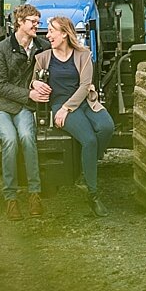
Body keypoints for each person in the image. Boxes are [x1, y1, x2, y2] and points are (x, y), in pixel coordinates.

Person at [32, 15, 115, 217]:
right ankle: (93, 195)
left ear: (64, 34)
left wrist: (67, 109)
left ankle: (85, 168)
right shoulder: (42, 58)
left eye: (52, 31)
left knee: (107, 127)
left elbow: (85, 85)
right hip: (59, 104)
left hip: (82, 102)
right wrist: (34, 84)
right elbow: (33, 80)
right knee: (88, 140)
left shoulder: (83, 55)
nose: (48, 35)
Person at [0, 4, 52, 221]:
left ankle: (35, 194)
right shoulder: (3, 48)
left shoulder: (42, 47)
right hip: (0, 105)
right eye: (33, 21)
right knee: (9, 139)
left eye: (37, 21)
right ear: (20, 23)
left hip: (23, 106)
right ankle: (11, 198)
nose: (37, 25)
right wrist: (29, 94)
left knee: (27, 137)